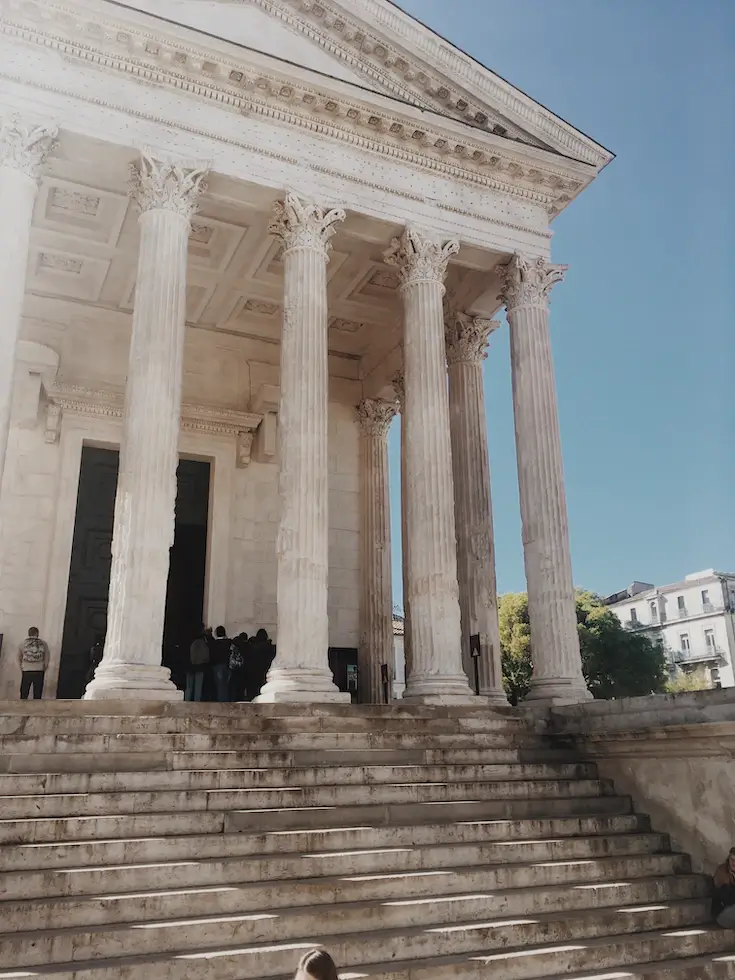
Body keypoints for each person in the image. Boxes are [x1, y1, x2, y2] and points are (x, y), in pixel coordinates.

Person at [18, 627, 50, 700]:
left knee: (24, 692)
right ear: (37, 633)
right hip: (39, 669)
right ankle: (36, 708)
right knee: (37, 693)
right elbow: (47, 656)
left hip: (26, 669)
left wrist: (21, 667)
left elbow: (19, 656)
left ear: (29, 633)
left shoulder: (23, 643)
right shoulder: (43, 643)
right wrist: (45, 667)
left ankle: (22, 708)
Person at [713, 847, 735, 928]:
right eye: (732, 860)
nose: (734, 863)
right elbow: (728, 898)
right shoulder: (722, 872)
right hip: (722, 913)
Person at [186, 627, 210, 702]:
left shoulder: (190, 642)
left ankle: (187, 701)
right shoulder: (202, 643)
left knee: (189, 687)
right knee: (198, 687)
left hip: (190, 666)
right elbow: (206, 656)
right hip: (199, 667)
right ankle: (196, 702)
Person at [210, 625, 232, 702]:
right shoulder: (229, 642)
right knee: (225, 685)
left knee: (219, 686)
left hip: (217, 666)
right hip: (227, 665)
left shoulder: (214, 643)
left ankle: (221, 702)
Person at [228, 633, 248, 702]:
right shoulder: (244, 648)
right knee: (240, 689)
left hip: (234, 671)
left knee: (234, 688)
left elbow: (232, 661)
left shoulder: (234, 650)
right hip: (241, 671)